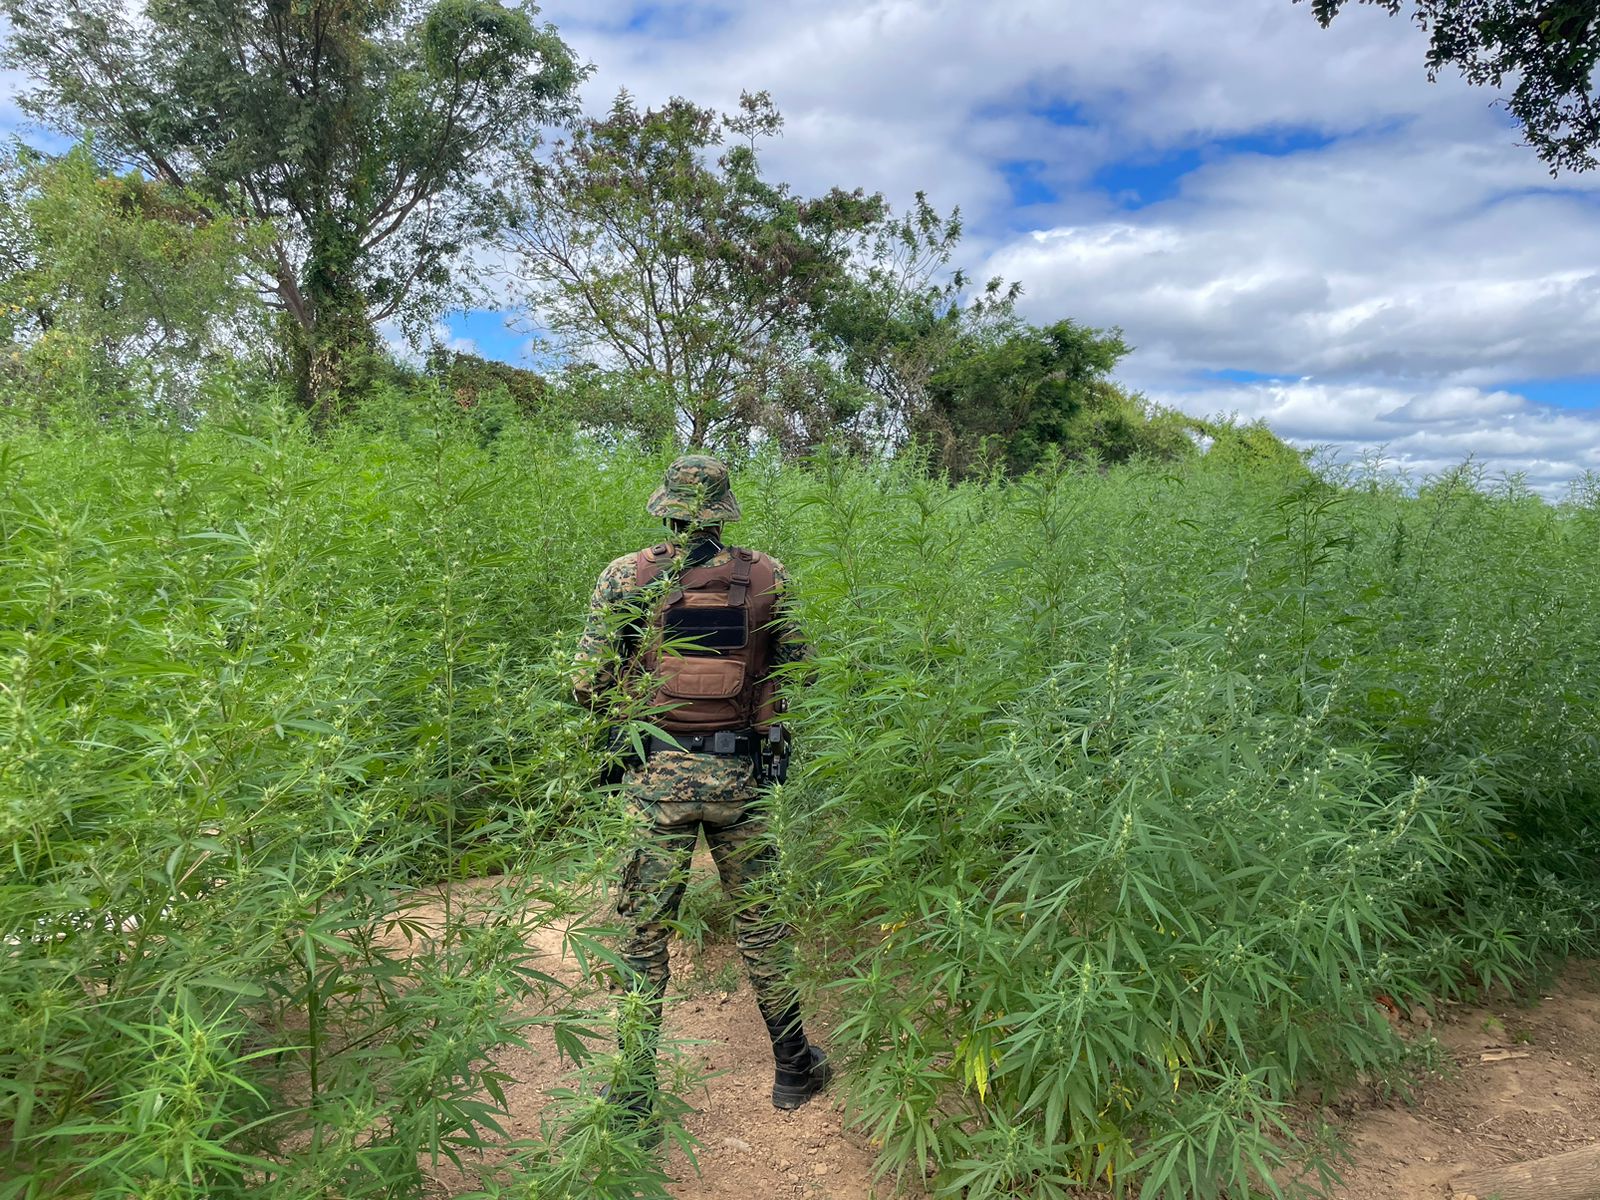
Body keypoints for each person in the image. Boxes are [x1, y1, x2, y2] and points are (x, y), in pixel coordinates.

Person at [572, 453, 831, 1130]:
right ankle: (794, 1067)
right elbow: (798, 670)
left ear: (667, 508)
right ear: (722, 510)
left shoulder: (628, 576)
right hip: (741, 777)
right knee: (762, 921)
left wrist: (635, 694)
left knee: (643, 932)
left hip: (656, 779)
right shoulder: (766, 576)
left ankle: (632, 1097)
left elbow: (586, 683)